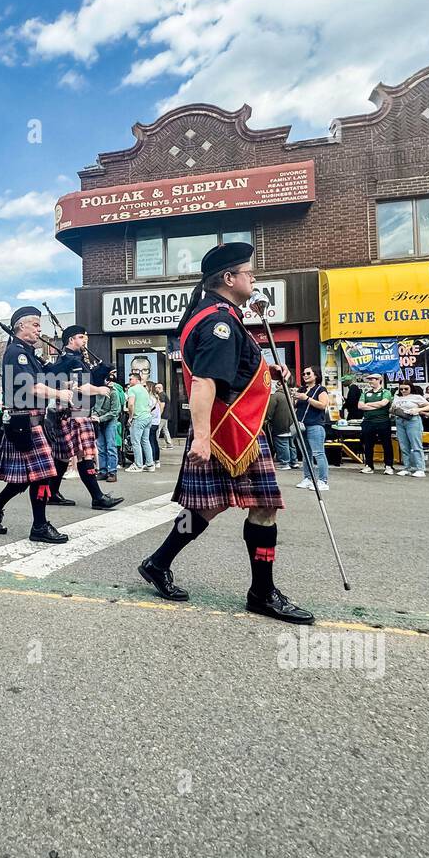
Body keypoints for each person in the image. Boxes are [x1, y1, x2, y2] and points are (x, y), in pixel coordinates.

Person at [137, 242, 312, 624]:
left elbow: (230, 375)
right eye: (248, 272)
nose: (254, 278)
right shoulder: (219, 321)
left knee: (207, 506)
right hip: (227, 433)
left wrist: (268, 372)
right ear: (228, 278)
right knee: (263, 507)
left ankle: (158, 562)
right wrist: (200, 437)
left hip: (231, 431)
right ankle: (262, 593)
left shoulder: (220, 316)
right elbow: (204, 381)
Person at [0, 306, 73, 544]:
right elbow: (31, 387)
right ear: (21, 326)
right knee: (42, 475)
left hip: (33, 420)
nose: (39, 329)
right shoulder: (16, 352)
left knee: (28, 477)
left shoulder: (28, 353)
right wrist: (60, 394)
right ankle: (39, 526)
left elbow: (45, 377)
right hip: (24, 420)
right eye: (36, 325)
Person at [43, 326, 121, 509]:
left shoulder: (77, 359)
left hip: (75, 412)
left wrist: (101, 373)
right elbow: (79, 386)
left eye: (85, 336)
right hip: (75, 412)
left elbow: (87, 380)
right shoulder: (68, 360)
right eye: (80, 337)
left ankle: (52, 493)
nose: (85, 340)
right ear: (71, 339)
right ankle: (98, 497)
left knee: (63, 457)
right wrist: (100, 390)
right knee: (83, 455)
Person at [293, 365, 330, 491]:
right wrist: (294, 398)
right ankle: (308, 478)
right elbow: (296, 407)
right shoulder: (302, 389)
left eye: (308, 373)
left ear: (316, 375)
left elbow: (323, 405)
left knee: (318, 453)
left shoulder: (321, 389)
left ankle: (323, 480)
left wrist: (307, 398)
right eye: (303, 374)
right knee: (305, 453)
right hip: (301, 424)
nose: (305, 376)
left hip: (315, 424)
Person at [390, 381, 429, 477]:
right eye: (401, 389)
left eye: (406, 389)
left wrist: (418, 409)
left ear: (411, 388)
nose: (403, 391)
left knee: (416, 444)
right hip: (400, 420)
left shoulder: (416, 397)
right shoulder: (397, 398)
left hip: (413, 420)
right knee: (404, 445)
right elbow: (391, 410)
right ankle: (407, 467)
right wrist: (393, 409)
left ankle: (420, 468)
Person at [357, 373, 394, 475]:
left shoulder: (385, 392)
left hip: (383, 421)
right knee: (368, 444)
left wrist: (368, 404)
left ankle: (388, 466)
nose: (370, 381)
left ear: (379, 380)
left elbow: (383, 403)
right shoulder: (365, 393)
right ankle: (368, 465)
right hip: (368, 422)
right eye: (369, 380)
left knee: (386, 444)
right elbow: (360, 406)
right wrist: (376, 406)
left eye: (372, 379)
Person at [92, 365, 123, 481]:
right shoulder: (97, 391)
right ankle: (103, 471)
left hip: (109, 421)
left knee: (111, 446)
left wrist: (98, 417)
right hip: (99, 420)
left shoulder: (113, 392)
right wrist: (94, 415)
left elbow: (115, 412)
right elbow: (94, 406)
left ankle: (112, 472)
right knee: (101, 447)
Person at [125, 370, 155, 472]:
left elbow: (131, 404)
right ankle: (150, 464)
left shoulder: (132, 389)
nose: (129, 380)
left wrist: (130, 417)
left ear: (137, 379)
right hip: (147, 417)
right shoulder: (144, 389)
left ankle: (138, 465)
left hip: (138, 418)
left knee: (135, 442)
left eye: (131, 379)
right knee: (145, 441)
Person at [265, 381, 298, 470]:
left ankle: (284, 463)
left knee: (282, 443)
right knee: (291, 444)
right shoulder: (290, 395)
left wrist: (267, 419)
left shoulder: (276, 396)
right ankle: (294, 462)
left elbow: (269, 412)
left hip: (280, 424)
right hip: (292, 424)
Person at [156, 383, 174, 448]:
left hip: (162, 415)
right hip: (166, 415)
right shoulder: (163, 394)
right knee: (165, 429)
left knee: (158, 429)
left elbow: (162, 405)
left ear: (159, 388)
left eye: (156, 388)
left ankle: (155, 444)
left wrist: (159, 414)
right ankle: (169, 444)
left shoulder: (161, 395)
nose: (155, 389)